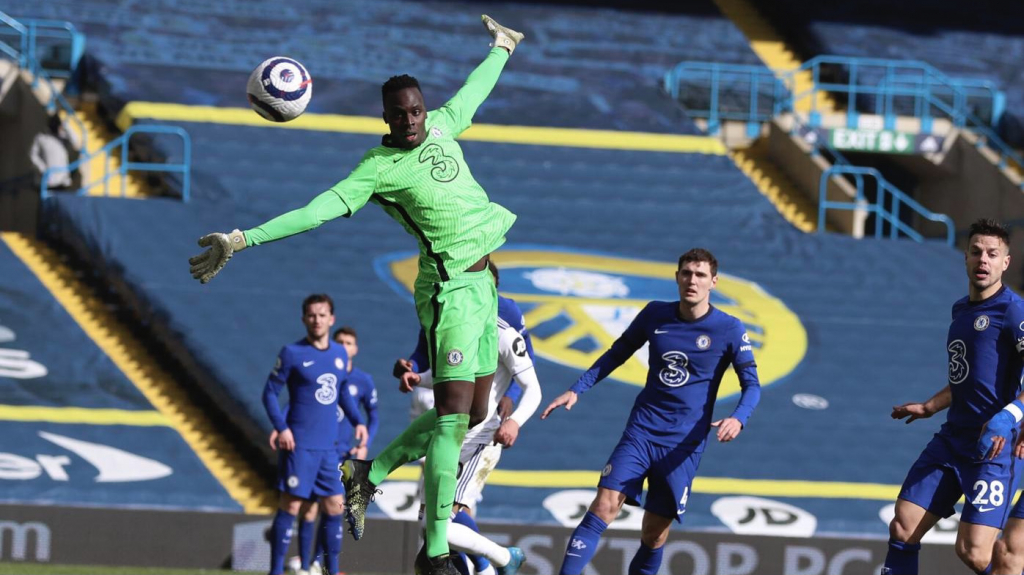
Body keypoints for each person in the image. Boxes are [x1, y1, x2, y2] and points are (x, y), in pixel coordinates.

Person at [189, 15, 525, 574]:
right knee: (451, 420)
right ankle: (436, 551)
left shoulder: (442, 124)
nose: (413, 119)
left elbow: (473, 93)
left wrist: (502, 49)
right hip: (448, 290)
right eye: (401, 113)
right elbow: (316, 211)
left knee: (476, 417)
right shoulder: (378, 169)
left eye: (417, 109)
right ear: (386, 118)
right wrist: (243, 238)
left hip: (484, 284)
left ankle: (367, 474)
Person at [541, 248, 761, 575]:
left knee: (654, 535)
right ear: (677, 277)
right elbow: (617, 353)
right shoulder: (655, 314)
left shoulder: (728, 328)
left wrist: (738, 418)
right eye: (686, 273)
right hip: (641, 432)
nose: (692, 280)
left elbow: (752, 385)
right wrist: (577, 388)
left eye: (700, 275)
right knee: (603, 505)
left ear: (713, 282)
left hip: (683, 445)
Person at [885, 219, 1024, 575]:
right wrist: (931, 405)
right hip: (951, 440)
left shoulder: (1013, 311)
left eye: (993, 254)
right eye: (976, 252)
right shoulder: (961, 310)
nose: (983, 260)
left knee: (975, 553)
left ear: (1005, 263)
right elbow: (972, 379)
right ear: (965, 258)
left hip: (993, 448)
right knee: (903, 525)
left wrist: (1010, 417)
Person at [402, 311, 539, 575]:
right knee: (433, 529)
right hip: (451, 439)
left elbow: (532, 383)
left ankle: (496, 560)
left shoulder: (506, 325)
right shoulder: (454, 320)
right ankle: (492, 564)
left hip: (481, 438)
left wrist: (514, 420)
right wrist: (419, 377)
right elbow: (449, 375)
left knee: (442, 525)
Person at [263, 294, 368, 575]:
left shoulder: (339, 353)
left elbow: (343, 391)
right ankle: (275, 571)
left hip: (329, 449)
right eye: (311, 315)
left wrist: (358, 420)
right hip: (300, 446)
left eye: (322, 315)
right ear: (303, 319)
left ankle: (330, 572)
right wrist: (281, 427)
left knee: (335, 507)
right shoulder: (291, 353)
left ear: (331, 319)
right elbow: (270, 393)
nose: (317, 320)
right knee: (292, 505)